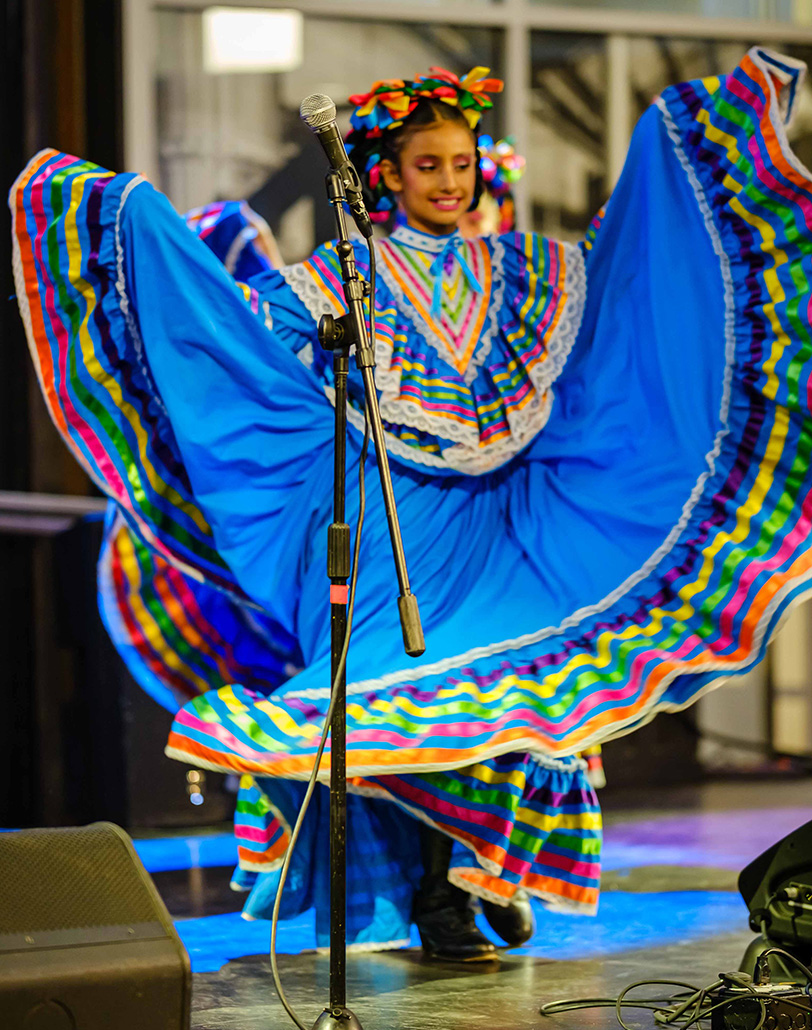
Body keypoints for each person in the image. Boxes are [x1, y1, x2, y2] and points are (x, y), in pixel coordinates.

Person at [10, 49, 812, 963]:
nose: (449, 181)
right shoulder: (338, 278)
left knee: (533, 699)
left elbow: (634, 283)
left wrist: (674, 152)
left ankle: (487, 866)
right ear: (385, 173)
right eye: (427, 165)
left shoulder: (535, 269)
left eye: (462, 164)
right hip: (403, 534)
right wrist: (146, 238)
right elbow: (248, 341)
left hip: (512, 522)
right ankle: (444, 894)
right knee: (410, 698)